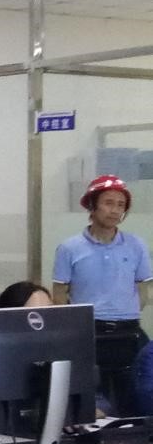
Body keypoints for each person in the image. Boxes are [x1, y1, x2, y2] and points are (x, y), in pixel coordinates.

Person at [53, 174, 152, 415]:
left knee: (134, 398)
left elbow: (145, 287)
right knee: (93, 403)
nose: (115, 210)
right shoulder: (69, 248)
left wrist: (124, 310)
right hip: (89, 332)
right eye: (108, 203)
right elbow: (59, 293)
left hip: (128, 332)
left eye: (121, 205)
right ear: (92, 205)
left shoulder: (136, 245)